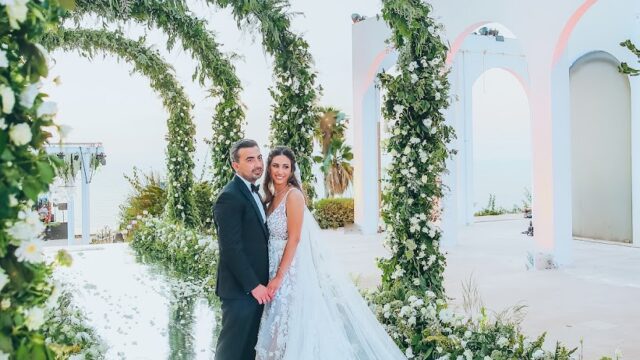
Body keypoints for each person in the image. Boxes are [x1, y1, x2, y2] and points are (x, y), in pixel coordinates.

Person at [255, 146, 406, 360]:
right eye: (276, 166)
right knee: (277, 329)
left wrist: (279, 277)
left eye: (285, 167)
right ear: (269, 168)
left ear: (292, 170)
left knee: (283, 329)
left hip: (289, 273)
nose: (280, 171)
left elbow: (295, 239)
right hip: (272, 268)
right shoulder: (271, 197)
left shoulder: (293, 196)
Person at [213, 139, 271, 360]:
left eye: (259, 157)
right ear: (235, 165)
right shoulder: (229, 197)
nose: (257, 164)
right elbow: (230, 249)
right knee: (230, 351)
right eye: (250, 159)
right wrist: (253, 286)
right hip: (240, 291)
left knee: (248, 351)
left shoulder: (253, 191)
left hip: (257, 290)